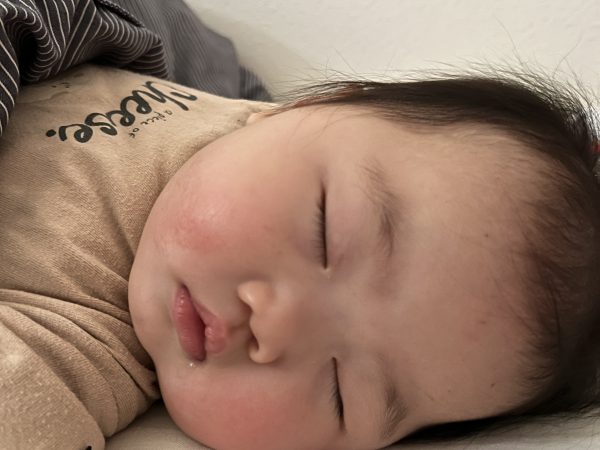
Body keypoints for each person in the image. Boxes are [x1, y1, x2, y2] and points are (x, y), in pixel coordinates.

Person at [128, 72, 600, 449]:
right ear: (306, 107)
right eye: (324, 233)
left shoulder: (90, 356)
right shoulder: (184, 61)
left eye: (342, 396)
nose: (272, 325)